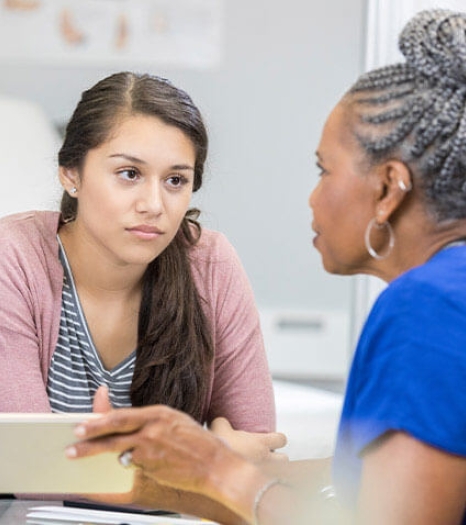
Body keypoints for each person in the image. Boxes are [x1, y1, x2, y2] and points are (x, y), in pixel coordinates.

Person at [67, 8, 466, 525]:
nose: (312, 198)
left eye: (324, 170)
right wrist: (174, 479)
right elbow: (364, 487)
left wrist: (215, 469)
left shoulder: (426, 306)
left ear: (388, 188)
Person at [0, 71, 278, 435]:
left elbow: (258, 451)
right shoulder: (2, 256)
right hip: (29, 496)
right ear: (71, 174)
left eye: (175, 180)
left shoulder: (210, 264)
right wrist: (207, 461)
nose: (153, 205)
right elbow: (21, 462)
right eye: (129, 173)